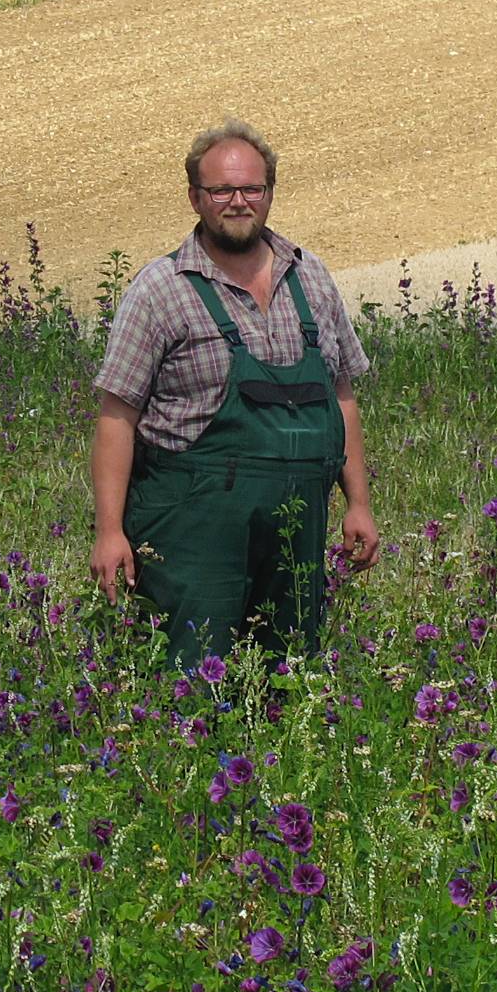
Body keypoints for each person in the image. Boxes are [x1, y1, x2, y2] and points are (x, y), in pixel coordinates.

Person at [89, 119, 379, 667]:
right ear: (195, 197)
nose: (238, 201)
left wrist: (358, 503)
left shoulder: (310, 277)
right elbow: (116, 418)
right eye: (222, 190)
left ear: (270, 192)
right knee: (194, 677)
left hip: (298, 521)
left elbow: (341, 395)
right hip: (192, 526)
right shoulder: (160, 290)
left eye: (251, 189)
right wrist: (108, 532)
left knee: (291, 675)